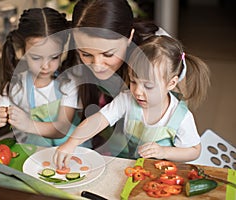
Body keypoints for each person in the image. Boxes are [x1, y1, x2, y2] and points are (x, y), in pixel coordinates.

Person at [54, 35, 210, 168]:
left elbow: (194, 150)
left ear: (171, 83)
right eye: (134, 81)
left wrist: (164, 152)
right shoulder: (127, 99)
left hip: (163, 173)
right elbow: (98, 120)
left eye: (148, 86)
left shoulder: (180, 117)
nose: (137, 91)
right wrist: (71, 143)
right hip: (132, 166)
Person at [59, 0, 169, 156]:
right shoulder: (74, 62)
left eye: (108, 54)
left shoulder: (159, 55)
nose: (97, 65)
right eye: (86, 54)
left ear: (129, 37)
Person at [0, 8, 88, 147]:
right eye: (36, 57)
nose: (45, 66)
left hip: (72, 154)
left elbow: (62, 128)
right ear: (22, 51)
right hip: (33, 157)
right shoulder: (17, 86)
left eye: (54, 57)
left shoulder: (69, 82)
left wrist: (28, 125)